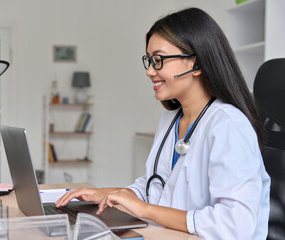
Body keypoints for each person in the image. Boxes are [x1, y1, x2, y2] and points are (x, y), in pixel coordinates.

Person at [55, 7, 270, 239]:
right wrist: (108, 194)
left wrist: (145, 210)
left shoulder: (228, 125)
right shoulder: (171, 119)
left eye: (158, 60)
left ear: (194, 63)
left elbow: (236, 225)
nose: (149, 71)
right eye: (149, 60)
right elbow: (155, 186)